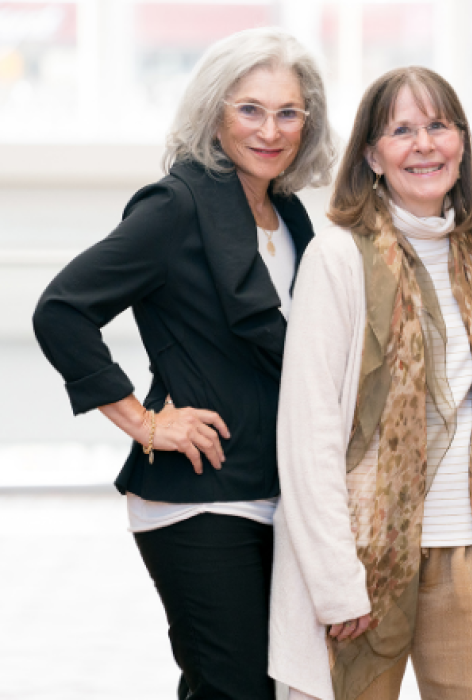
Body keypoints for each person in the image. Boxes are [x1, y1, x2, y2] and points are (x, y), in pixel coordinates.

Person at [32, 27, 335, 700]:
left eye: (288, 112)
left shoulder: (290, 214)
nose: (271, 130)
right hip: (197, 496)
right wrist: (145, 423)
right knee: (232, 689)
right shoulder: (175, 205)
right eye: (249, 109)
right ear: (213, 112)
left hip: (279, 490)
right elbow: (61, 310)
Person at [269, 67, 472, 700]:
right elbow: (309, 431)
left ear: (461, 144)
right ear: (371, 156)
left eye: (439, 126)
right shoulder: (338, 257)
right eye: (401, 130)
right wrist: (334, 581)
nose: (424, 145)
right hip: (363, 554)